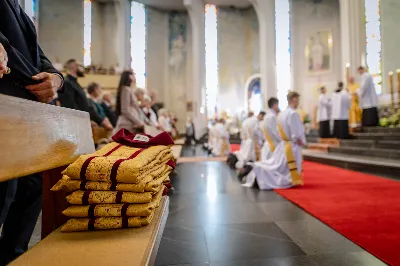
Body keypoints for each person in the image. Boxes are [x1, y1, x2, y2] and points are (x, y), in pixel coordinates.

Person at [0, 1, 64, 264]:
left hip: (27, 115)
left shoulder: (17, 7)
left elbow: (38, 57)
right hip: (5, 108)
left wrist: (56, 79)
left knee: (32, 188)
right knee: (5, 193)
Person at [242, 92, 306, 190]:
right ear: (294, 100)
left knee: (278, 166)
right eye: (297, 100)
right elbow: (296, 134)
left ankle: (257, 170)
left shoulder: (281, 114)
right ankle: (259, 172)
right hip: (291, 146)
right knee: (284, 171)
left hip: (283, 144)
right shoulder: (293, 114)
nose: (298, 102)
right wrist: (302, 142)